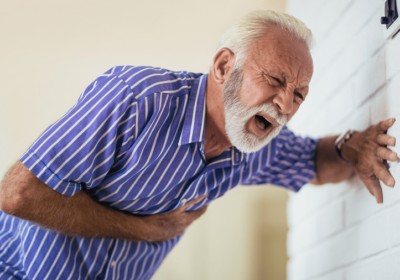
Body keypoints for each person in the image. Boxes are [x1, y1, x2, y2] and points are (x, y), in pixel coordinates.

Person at [0, 9, 396, 280]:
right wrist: (146, 230)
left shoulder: (253, 148)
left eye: (299, 95)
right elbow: (18, 193)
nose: (285, 104)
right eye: (275, 80)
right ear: (224, 66)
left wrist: (354, 147)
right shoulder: (139, 98)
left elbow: (315, 161)